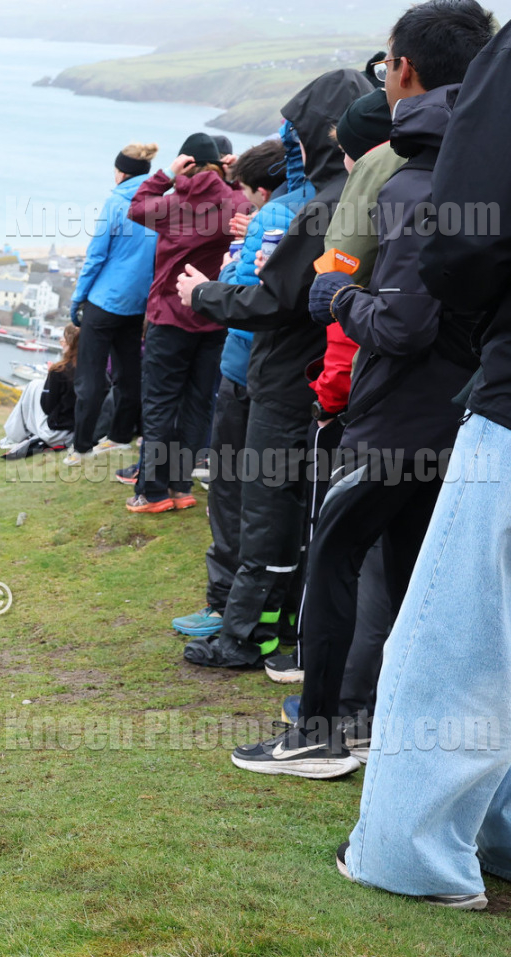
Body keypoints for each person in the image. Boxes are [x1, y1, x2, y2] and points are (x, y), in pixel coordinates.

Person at [233, 1, 493, 779]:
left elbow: (404, 324)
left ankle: (317, 735)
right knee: (412, 572)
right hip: (464, 411)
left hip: (397, 413)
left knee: (336, 558)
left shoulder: (409, 181)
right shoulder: (489, 164)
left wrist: (338, 297)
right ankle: (382, 722)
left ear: (402, 70)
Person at [327, 0, 511, 918]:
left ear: (402, 68)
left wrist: (471, 314)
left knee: (459, 631)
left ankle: (411, 851)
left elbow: (472, 233)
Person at [177, 68, 374, 666]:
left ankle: (245, 637)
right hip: (323, 380)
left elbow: (274, 301)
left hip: (291, 378)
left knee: (267, 511)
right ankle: (278, 625)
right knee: (293, 509)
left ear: (317, 134)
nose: (293, 143)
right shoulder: (359, 192)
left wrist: (201, 294)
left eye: (297, 132)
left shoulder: (324, 205)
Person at [172, 135, 304, 638]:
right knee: (280, 497)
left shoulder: (275, 216)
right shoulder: (328, 199)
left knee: (232, 493)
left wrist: (209, 288)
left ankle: (226, 604)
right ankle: (277, 610)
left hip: (249, 368)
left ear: (261, 190)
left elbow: (253, 302)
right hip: (298, 377)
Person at [125, 132, 249, 512]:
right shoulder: (235, 203)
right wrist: (234, 177)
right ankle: (180, 487)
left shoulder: (172, 204)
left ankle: (152, 492)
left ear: (187, 163)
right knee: (198, 402)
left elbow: (136, 206)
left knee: (160, 404)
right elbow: (250, 204)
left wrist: (165, 173)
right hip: (213, 317)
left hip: (168, 317)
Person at [65, 142, 158, 465]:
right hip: (138, 302)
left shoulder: (115, 202)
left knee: (89, 377)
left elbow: (96, 256)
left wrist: (78, 298)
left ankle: (81, 447)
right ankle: (119, 436)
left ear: (121, 172)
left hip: (103, 302)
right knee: (129, 371)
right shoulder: (161, 202)